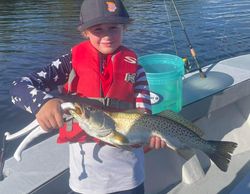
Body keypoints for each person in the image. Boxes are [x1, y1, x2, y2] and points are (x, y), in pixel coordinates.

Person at [10, 0, 166, 193]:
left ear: (124, 28)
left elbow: (144, 114)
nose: (107, 36)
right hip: (85, 183)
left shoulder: (136, 69)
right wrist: (43, 103)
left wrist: (152, 138)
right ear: (85, 32)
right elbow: (18, 87)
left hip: (129, 178)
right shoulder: (68, 64)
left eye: (114, 28)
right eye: (98, 29)